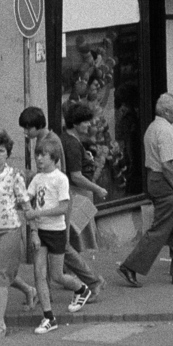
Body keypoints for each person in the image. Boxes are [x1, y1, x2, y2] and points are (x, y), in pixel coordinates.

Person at [23, 106, 105, 300]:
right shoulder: (45, 140)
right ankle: (47, 292)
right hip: (49, 202)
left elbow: (55, 173)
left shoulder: (50, 142)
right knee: (58, 247)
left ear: (37, 126)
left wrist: (30, 176)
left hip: (56, 203)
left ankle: (92, 281)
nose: (25, 133)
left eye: (28, 128)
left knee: (63, 246)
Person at [117, 92, 173, 287]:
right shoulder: (165, 131)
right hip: (167, 181)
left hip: (158, 179)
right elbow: (168, 164)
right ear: (168, 111)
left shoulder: (155, 127)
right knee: (160, 229)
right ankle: (131, 265)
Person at [0, 131, 40, 338]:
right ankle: (30, 291)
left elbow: (25, 204)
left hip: (9, 230)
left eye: (1, 150)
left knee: (0, 276)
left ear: (7, 154)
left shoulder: (14, 176)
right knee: (1, 273)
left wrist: (35, 232)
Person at [25, 135, 91, 332]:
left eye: (43, 155)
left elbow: (63, 208)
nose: (39, 159)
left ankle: (81, 288)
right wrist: (21, 200)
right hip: (41, 231)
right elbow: (27, 198)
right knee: (39, 273)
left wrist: (37, 213)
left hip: (56, 231)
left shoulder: (61, 179)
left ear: (54, 158)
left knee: (57, 275)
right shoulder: (37, 178)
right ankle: (49, 317)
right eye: (37, 155)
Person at [62, 103, 109, 257]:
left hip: (76, 194)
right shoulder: (72, 144)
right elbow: (76, 176)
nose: (89, 125)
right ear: (75, 124)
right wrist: (98, 189)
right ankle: (73, 274)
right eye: (86, 122)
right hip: (77, 195)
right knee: (78, 241)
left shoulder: (68, 139)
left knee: (75, 239)